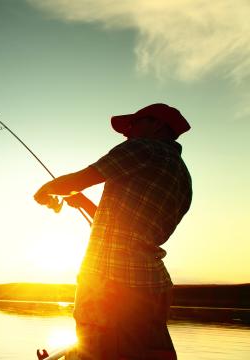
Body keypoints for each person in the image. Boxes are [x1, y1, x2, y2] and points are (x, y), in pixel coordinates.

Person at [34, 103, 192, 360]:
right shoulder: (183, 176)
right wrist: (83, 201)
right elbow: (130, 227)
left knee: (99, 352)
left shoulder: (142, 148)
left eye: (134, 124)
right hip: (153, 286)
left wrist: (46, 189)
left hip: (110, 282)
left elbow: (81, 179)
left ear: (158, 125)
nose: (127, 133)